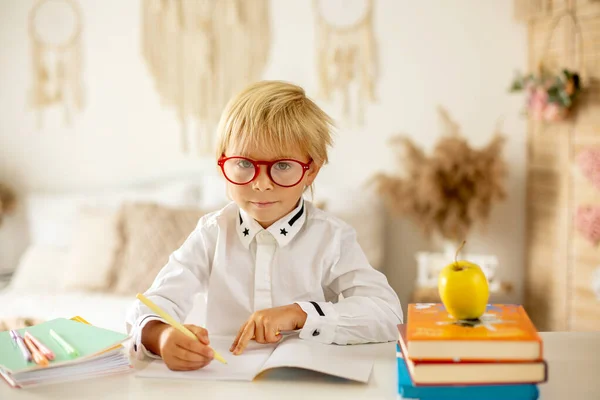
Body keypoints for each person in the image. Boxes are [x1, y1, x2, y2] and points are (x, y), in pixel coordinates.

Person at [125, 80, 402, 371]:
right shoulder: (212, 233)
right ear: (222, 164)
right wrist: (162, 335)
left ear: (312, 170)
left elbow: (386, 312)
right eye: (244, 163)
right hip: (225, 383)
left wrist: (301, 314)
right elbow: (151, 305)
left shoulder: (332, 237)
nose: (261, 184)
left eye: (282, 166)